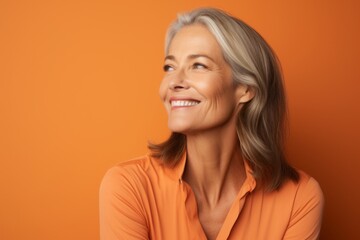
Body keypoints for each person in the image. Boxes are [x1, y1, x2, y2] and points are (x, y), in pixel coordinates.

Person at [99, 7, 324, 240]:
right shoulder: (128, 187)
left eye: (198, 65)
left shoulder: (300, 198)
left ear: (245, 89)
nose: (174, 81)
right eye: (170, 67)